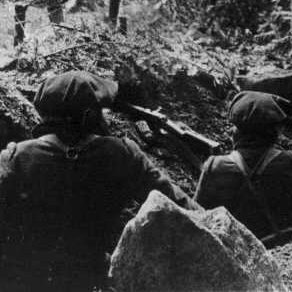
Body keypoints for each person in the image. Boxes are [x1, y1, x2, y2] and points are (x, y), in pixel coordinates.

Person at [0, 69, 195, 292]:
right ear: (90, 115)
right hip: (89, 280)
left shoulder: (16, 157)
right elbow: (175, 200)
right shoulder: (122, 154)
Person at [194, 89, 292, 244]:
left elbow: (199, 218)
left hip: (239, 253)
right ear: (275, 131)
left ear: (236, 131)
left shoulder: (215, 167)